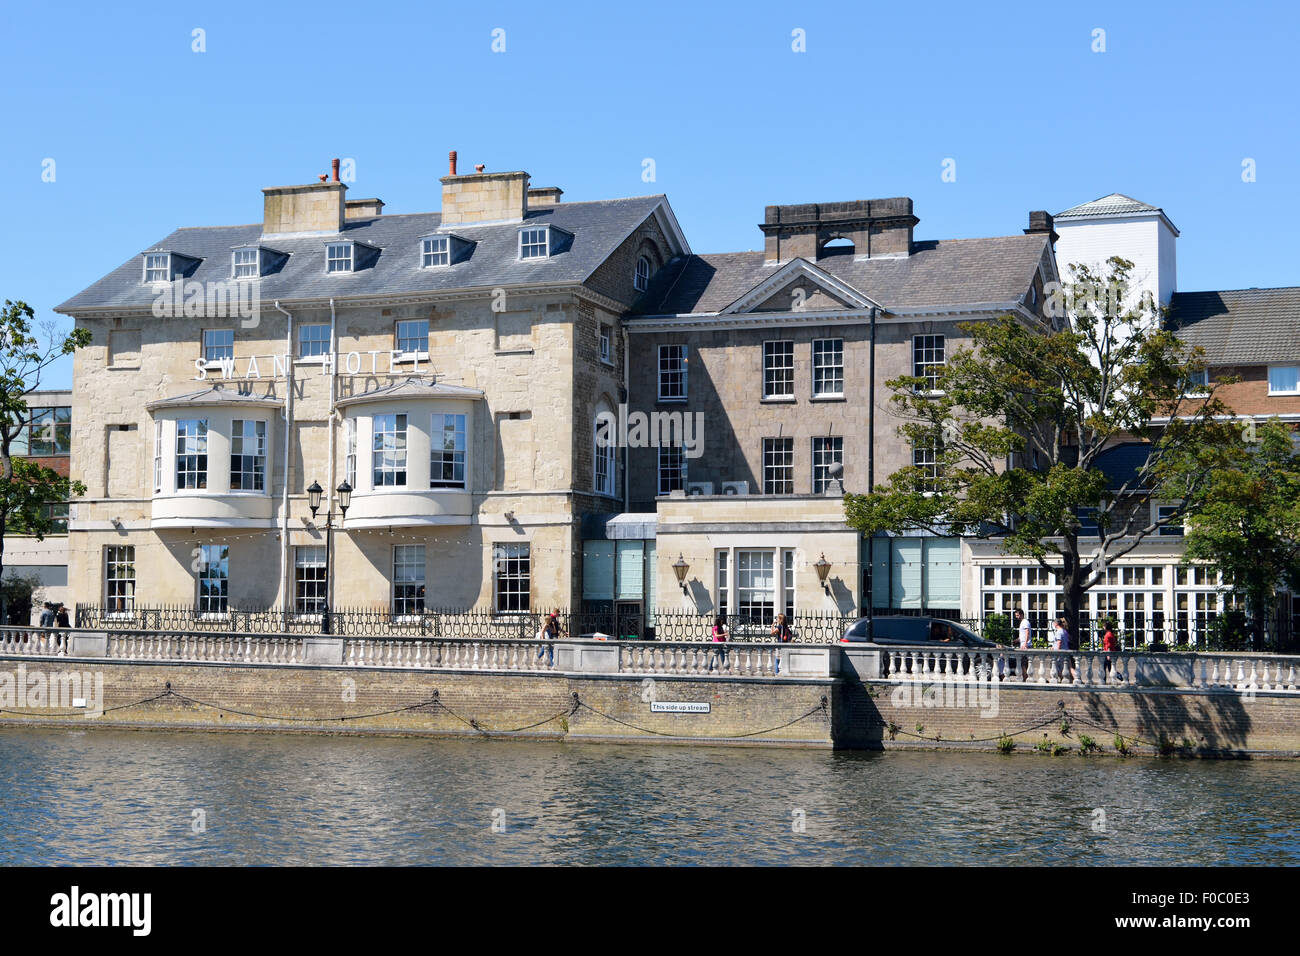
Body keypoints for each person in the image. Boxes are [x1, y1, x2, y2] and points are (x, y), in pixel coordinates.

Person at [1013, 608, 1031, 681]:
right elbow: (1022, 636)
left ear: (1021, 614)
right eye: (1016, 615)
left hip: (1026, 646)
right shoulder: (1022, 622)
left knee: (1023, 663)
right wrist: (1016, 640)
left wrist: (1025, 643)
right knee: (1023, 663)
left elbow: (1027, 632)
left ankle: (1025, 677)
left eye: (1017, 615)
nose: (1016, 617)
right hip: (1023, 644)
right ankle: (1025, 677)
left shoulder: (1025, 622)